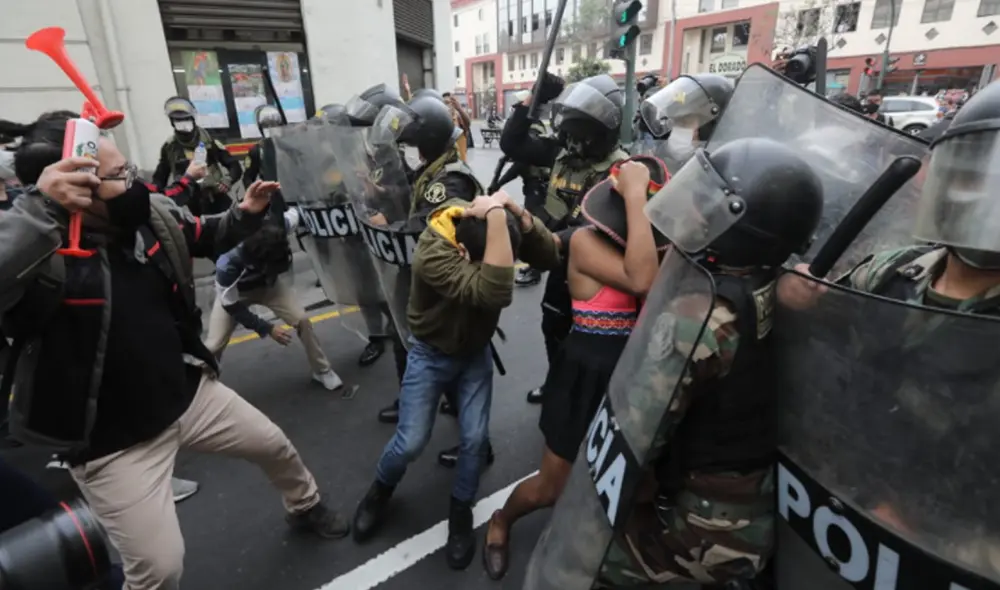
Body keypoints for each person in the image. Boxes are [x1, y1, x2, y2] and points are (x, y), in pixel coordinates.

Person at [0, 111, 349, 590]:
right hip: (113, 446)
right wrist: (38, 211)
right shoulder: (39, 258)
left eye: (129, 170)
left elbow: (203, 235)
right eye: (119, 176)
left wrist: (243, 213)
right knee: (158, 572)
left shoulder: (147, 223)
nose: (134, 183)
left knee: (275, 446)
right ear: (75, 189)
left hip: (188, 395)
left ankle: (304, 507)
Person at [776, 78, 1000, 579]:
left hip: (941, 547)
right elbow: (830, 320)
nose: (983, 196)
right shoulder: (898, 268)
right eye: (974, 174)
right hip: (836, 489)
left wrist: (924, 523)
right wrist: (794, 297)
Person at [597, 137, 824, 587]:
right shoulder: (779, 286)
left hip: (710, 530)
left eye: (713, 208)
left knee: (595, 560)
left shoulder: (698, 319)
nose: (698, 212)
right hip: (762, 500)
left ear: (744, 230)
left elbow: (639, 437)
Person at [351, 191, 561, 570]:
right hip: (430, 354)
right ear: (464, 254)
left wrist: (518, 216)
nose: (506, 264)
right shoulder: (433, 253)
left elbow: (550, 256)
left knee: (476, 440)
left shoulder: (485, 230)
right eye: (498, 259)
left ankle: (460, 510)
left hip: (474, 353)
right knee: (411, 440)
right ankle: (380, 490)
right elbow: (495, 290)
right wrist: (496, 216)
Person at [482, 157, 667, 580]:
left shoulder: (652, 244)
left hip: (636, 379)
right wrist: (636, 195)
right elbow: (643, 282)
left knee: (639, 486)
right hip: (586, 377)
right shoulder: (586, 242)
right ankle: (500, 520)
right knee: (551, 488)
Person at [499, 73, 629, 406]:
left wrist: (547, 238)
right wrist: (533, 98)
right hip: (560, 260)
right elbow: (511, 143)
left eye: (580, 129)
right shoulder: (560, 153)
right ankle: (557, 383)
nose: (571, 136)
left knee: (594, 338)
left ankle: (595, 397)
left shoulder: (621, 170)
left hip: (597, 270)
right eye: (570, 127)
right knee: (553, 324)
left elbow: (598, 229)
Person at [206, 207, 344, 390]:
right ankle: (205, 387)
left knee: (302, 320)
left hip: (269, 287)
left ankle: (322, 370)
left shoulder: (278, 229)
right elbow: (232, 307)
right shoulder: (228, 264)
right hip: (236, 294)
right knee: (213, 345)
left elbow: (303, 211)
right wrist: (267, 328)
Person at [344, 84, 413, 371]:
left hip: (409, 248)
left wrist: (388, 215)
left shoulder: (400, 154)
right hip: (391, 247)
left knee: (408, 322)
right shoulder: (379, 153)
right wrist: (369, 188)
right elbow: (387, 191)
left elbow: (406, 195)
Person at [491, 91, 551, 287]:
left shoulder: (532, 127)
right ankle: (533, 265)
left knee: (532, 226)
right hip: (532, 185)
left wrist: (499, 183)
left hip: (537, 185)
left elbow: (521, 164)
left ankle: (535, 271)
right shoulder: (528, 126)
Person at [152, 96, 242, 217]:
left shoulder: (208, 141)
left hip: (217, 198)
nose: (183, 124)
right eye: (178, 121)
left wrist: (227, 181)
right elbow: (159, 178)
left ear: (192, 118)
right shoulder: (170, 148)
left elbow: (234, 165)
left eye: (185, 119)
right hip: (190, 206)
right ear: (172, 122)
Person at [637, 73, 734, 172]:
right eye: (674, 120)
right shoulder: (659, 167)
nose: (676, 126)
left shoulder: (719, 174)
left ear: (707, 130)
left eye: (685, 121)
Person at [241, 104, 284, 187]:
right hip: (271, 194)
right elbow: (248, 177)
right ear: (261, 127)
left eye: (274, 124)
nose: (270, 128)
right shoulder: (257, 150)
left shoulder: (290, 147)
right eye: (266, 125)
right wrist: (256, 192)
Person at [443, 92, 473, 158]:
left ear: (454, 105)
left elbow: (468, 123)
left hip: (460, 165)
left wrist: (459, 109)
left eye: (448, 102)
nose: (447, 106)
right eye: (444, 103)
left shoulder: (459, 120)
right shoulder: (440, 123)